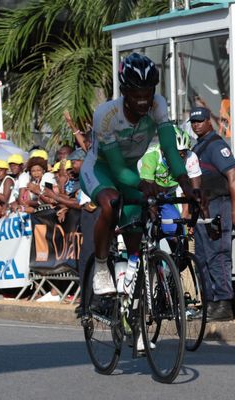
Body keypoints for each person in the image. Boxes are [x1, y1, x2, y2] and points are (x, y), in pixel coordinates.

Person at [79, 53, 195, 301]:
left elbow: (170, 149)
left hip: (130, 171)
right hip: (101, 169)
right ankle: (101, 268)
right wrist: (143, 183)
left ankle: (136, 302)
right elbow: (118, 170)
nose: (143, 101)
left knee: (136, 238)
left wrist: (185, 183)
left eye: (148, 94)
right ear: (124, 92)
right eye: (136, 95)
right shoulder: (106, 115)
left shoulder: (158, 105)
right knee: (111, 203)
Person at [189, 106, 235, 321]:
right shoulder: (198, 147)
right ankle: (209, 302)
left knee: (218, 253)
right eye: (193, 121)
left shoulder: (216, 145)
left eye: (200, 121)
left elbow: (232, 178)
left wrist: (234, 209)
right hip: (202, 207)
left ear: (209, 122)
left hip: (218, 204)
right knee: (202, 256)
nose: (196, 124)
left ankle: (223, 302)